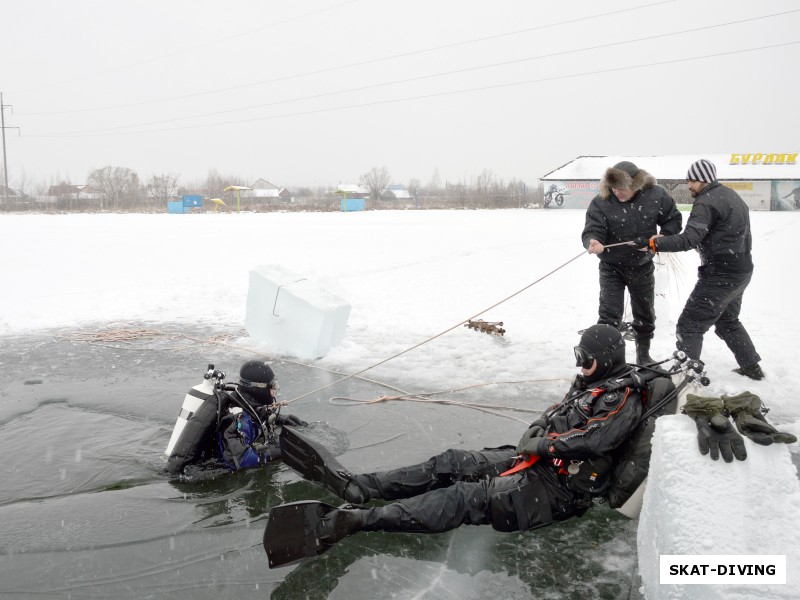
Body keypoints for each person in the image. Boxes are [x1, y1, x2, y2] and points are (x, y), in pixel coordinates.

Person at [265, 325, 673, 561]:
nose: (579, 366)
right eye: (577, 357)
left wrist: (542, 446)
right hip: (536, 463)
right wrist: (536, 434)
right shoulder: (593, 383)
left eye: (585, 358)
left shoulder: (622, 396)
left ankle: (357, 520)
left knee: (464, 497)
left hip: (561, 490)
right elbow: (558, 414)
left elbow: (595, 438)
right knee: (453, 460)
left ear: (604, 359)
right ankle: (363, 487)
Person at [642, 159, 764, 380]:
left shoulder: (706, 202)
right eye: (688, 180)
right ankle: (751, 368)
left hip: (720, 274)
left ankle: (686, 376)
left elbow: (690, 239)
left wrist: (657, 243)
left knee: (690, 324)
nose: (689, 185)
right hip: (741, 270)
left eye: (693, 180)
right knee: (728, 321)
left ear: (706, 179)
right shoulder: (732, 196)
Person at [582, 161, 682, 365]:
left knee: (644, 314)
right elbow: (593, 228)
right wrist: (593, 240)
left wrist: (658, 239)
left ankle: (643, 356)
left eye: (623, 188)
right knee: (609, 315)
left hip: (642, 265)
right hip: (611, 267)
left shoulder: (656, 195)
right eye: (614, 188)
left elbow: (673, 221)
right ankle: (606, 360)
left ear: (636, 184)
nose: (618, 192)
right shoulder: (602, 201)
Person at [165, 359, 307, 474]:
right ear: (259, 388)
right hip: (207, 474)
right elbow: (241, 459)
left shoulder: (244, 402)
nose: (275, 390)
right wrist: (276, 451)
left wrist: (278, 419)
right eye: (272, 386)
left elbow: (257, 415)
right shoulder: (237, 416)